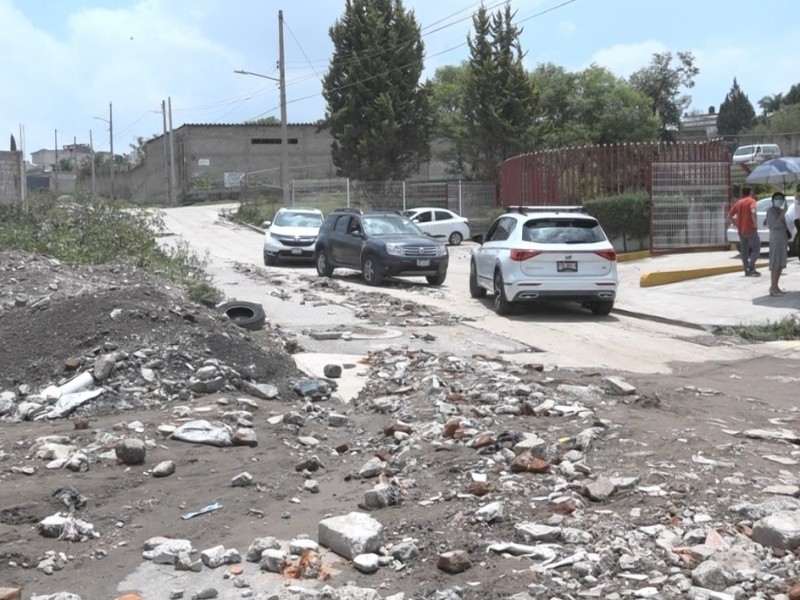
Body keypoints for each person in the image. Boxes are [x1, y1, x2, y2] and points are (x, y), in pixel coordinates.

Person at [727, 186, 760, 276]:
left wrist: (735, 224)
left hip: (741, 231)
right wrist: (755, 223)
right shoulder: (751, 201)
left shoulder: (738, 203)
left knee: (744, 251)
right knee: (756, 248)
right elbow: (753, 211)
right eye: (752, 192)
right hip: (751, 229)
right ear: (750, 192)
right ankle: (751, 266)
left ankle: (747, 269)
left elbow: (729, 216)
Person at [766, 191, 789, 295]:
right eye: (777, 198)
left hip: (782, 238)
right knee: (775, 262)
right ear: (773, 200)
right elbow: (775, 224)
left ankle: (775, 286)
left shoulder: (779, 210)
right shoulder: (771, 211)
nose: (779, 200)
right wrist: (783, 213)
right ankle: (773, 288)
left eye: (781, 198)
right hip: (776, 238)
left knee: (780, 263)